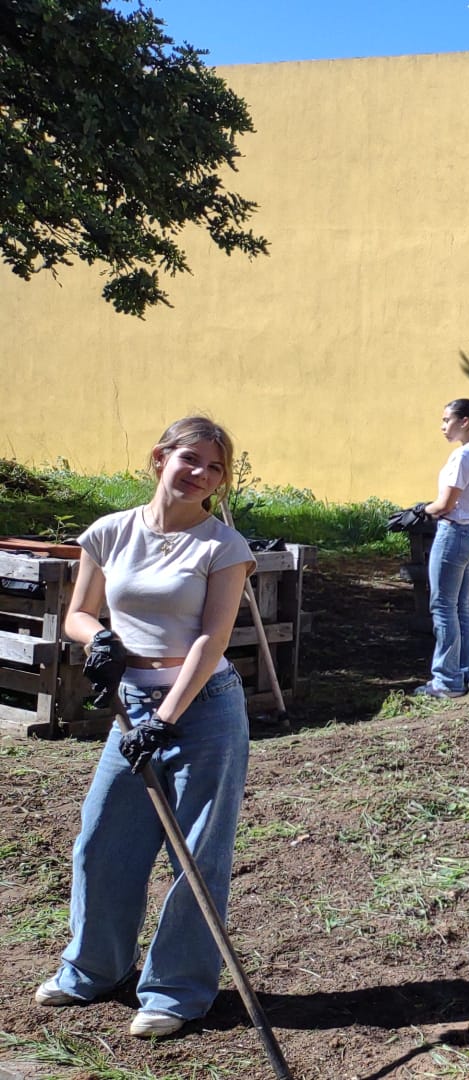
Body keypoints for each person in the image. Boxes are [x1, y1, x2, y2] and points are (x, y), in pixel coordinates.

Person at [36, 417, 257, 1039]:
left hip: (203, 706)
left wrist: (165, 720)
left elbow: (212, 641)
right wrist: (100, 639)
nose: (202, 475)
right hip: (130, 707)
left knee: (196, 852)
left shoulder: (222, 546)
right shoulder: (109, 532)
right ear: (160, 458)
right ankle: (94, 968)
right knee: (103, 839)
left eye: (215, 468)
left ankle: (177, 990)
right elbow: (79, 613)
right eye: (191, 460)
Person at [417, 398, 469, 699]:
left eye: (446, 420)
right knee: (462, 606)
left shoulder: (463, 456)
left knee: (443, 606)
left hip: (456, 533)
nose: (443, 427)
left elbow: (446, 504)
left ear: (465, 422)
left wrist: (422, 510)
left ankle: (446, 681)